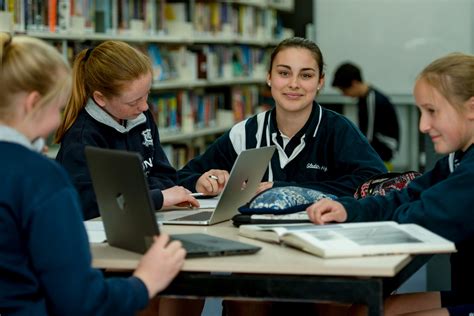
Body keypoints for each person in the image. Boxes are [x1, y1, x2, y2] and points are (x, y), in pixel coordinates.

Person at [0, 33, 186, 315]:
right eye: (59, 106)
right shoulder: (41, 179)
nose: (62, 116)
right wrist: (146, 281)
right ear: (32, 103)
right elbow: (80, 300)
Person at [307, 53, 474, 316]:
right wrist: (350, 210)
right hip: (466, 290)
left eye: (432, 111)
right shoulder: (457, 159)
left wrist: (360, 225)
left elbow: (422, 218)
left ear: (471, 108)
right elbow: (406, 196)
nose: (422, 125)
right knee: (359, 311)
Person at [177, 37, 387, 199]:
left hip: (320, 240)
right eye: (284, 73)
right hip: (256, 241)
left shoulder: (338, 130)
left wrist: (288, 189)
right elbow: (180, 178)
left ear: (320, 82)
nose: (294, 84)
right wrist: (200, 182)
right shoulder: (246, 133)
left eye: (306, 75)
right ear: (269, 77)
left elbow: (376, 183)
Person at [54, 40, 199, 220]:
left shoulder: (140, 118)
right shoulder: (82, 137)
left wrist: (137, 195)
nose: (145, 107)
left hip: (141, 216)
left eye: (147, 94)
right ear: (100, 98)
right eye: (133, 102)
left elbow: (166, 175)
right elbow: (88, 204)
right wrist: (155, 197)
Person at [332, 62, 400, 169]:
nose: (344, 94)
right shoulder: (363, 98)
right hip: (377, 145)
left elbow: (369, 136)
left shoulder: (372, 100)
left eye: (344, 90)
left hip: (385, 148)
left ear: (354, 83)